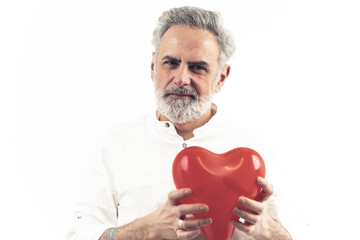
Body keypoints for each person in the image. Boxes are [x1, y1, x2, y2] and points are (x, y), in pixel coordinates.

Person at [67, 6, 292, 240]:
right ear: (153, 67)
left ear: (221, 78)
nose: (181, 79)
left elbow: (300, 232)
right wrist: (144, 229)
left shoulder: (256, 151)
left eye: (197, 67)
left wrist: (266, 229)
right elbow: (80, 233)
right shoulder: (115, 144)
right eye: (171, 63)